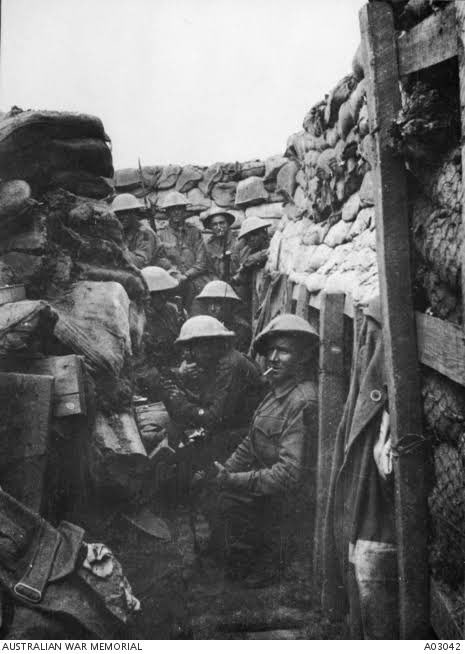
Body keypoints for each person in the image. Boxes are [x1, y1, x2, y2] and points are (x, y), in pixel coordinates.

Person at [206, 313, 319, 587]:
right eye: (271, 350)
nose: (273, 358)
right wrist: (228, 470)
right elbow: (252, 439)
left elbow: (290, 475)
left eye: (284, 351)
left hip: (288, 500)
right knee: (211, 490)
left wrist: (235, 481)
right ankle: (233, 555)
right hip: (268, 485)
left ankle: (266, 563)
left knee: (227, 503)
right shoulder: (276, 391)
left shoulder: (302, 400)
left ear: (303, 358)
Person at [160, 315, 263, 463]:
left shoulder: (230, 365)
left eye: (192, 349)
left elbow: (214, 418)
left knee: (185, 460)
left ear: (208, 346)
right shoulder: (219, 361)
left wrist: (183, 405)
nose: (189, 355)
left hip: (245, 436)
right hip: (233, 429)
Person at [133, 266, 186, 400]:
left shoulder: (172, 311)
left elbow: (182, 344)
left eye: (165, 293)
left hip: (176, 372)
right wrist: (175, 373)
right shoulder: (136, 319)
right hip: (151, 381)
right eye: (158, 294)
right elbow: (140, 368)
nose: (163, 298)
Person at [157, 191, 212, 312]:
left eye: (180, 209)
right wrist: (174, 273)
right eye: (172, 209)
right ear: (167, 212)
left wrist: (186, 276)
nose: (176, 212)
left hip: (194, 280)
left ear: (185, 211)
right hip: (171, 281)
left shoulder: (194, 232)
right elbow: (159, 259)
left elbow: (202, 261)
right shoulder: (160, 234)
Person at [110, 193, 166, 269]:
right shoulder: (120, 231)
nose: (121, 217)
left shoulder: (145, 234)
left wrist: (121, 247)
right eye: (118, 213)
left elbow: (141, 263)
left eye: (126, 212)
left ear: (134, 213)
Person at [195, 280, 251, 353]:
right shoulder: (206, 326)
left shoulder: (241, 328)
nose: (212, 309)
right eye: (209, 304)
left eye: (217, 303)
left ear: (229, 304)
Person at [231, 216, 271, 310]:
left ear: (264, 233)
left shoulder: (273, 245)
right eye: (247, 238)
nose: (251, 239)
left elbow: (270, 252)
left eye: (254, 234)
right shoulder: (246, 251)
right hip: (251, 292)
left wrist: (256, 258)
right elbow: (240, 274)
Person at [201, 206, 242, 281]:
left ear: (228, 224)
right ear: (211, 227)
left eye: (222, 223)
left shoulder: (238, 240)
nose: (219, 227)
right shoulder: (209, 245)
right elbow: (209, 270)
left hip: (239, 281)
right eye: (215, 224)